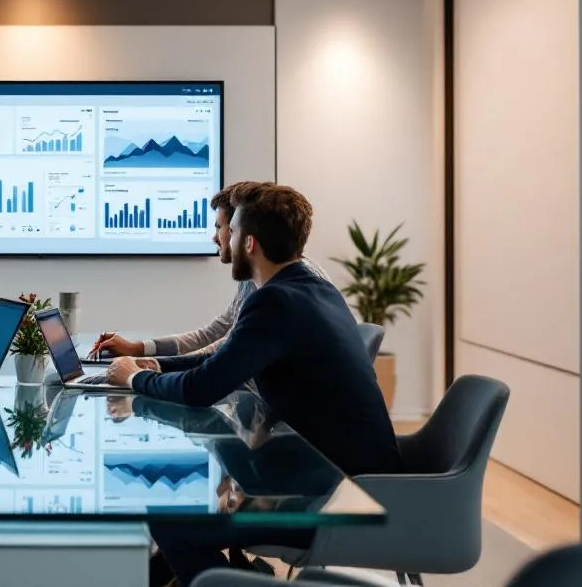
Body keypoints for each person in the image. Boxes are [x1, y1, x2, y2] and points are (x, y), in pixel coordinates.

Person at [104, 182, 401, 586]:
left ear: (249, 243)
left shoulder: (275, 302)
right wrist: (151, 364)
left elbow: (201, 389)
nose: (222, 238)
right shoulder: (311, 290)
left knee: (170, 517)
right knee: (191, 501)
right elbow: (223, 361)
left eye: (230, 231)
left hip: (332, 499)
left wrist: (136, 378)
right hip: (340, 480)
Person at [89, 184, 334, 366]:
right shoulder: (259, 276)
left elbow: (224, 352)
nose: (215, 237)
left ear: (244, 233)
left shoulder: (282, 289)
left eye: (221, 227)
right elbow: (217, 332)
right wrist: (139, 350)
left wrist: (146, 367)